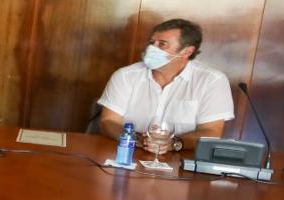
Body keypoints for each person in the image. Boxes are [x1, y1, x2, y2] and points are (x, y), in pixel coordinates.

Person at [97, 18, 234, 152]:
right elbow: (108, 121)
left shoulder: (212, 80)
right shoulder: (125, 76)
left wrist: (174, 143)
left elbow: (212, 131)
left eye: (162, 44)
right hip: (128, 152)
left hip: (180, 161)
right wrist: (138, 140)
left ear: (186, 51)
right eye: (151, 43)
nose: (151, 48)